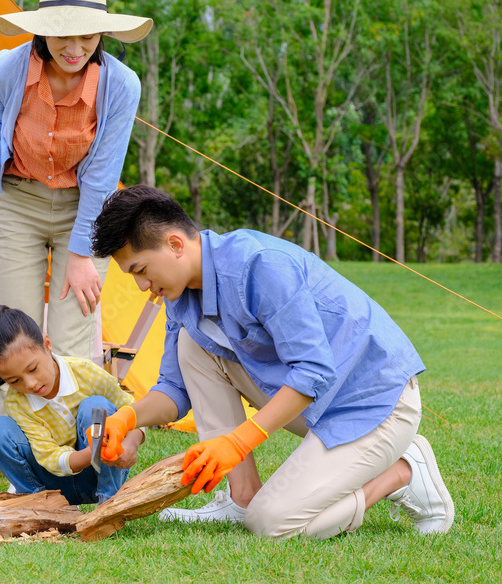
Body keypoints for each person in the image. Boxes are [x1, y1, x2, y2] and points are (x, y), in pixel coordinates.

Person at [88, 185, 454, 539]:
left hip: (374, 403)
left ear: (175, 245)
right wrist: (129, 419)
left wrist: (236, 443)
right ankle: (240, 496)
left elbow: (313, 371)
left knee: (271, 523)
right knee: (192, 345)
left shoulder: (258, 265)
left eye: (140, 270)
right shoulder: (180, 297)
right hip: (318, 403)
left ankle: (402, 471)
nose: (141, 285)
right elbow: (175, 388)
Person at [0, 0, 152, 360]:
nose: (75, 47)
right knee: (14, 329)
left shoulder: (121, 85)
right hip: (18, 203)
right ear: (43, 30)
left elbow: (102, 177)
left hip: (85, 207)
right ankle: (17, 422)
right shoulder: (6, 68)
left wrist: (82, 256)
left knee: (75, 329)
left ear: (102, 35)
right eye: (64, 34)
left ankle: (76, 422)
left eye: (87, 35)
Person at [0, 305, 144, 504]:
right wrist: (93, 452)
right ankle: (38, 503)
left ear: (47, 345)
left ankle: (109, 501)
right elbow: (48, 456)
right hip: (54, 484)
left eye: (33, 369)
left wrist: (130, 444)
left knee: (96, 405)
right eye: (14, 381)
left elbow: (135, 412)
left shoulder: (86, 373)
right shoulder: (17, 401)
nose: (30, 384)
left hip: (100, 473)